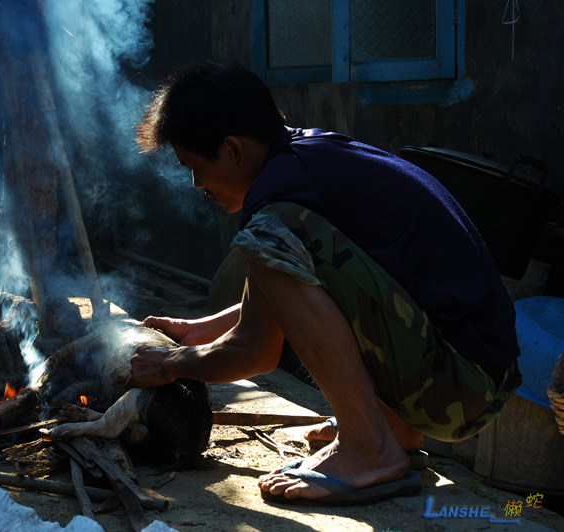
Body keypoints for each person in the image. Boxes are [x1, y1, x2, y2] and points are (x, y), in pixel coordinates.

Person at [125, 60, 522, 505]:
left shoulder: (277, 205)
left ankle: (368, 448)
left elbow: (255, 351)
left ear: (234, 151)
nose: (196, 183)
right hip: (472, 371)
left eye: (194, 166)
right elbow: (324, 292)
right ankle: (391, 430)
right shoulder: (307, 158)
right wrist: (201, 331)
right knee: (278, 237)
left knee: (272, 235)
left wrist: (171, 364)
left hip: (460, 382)